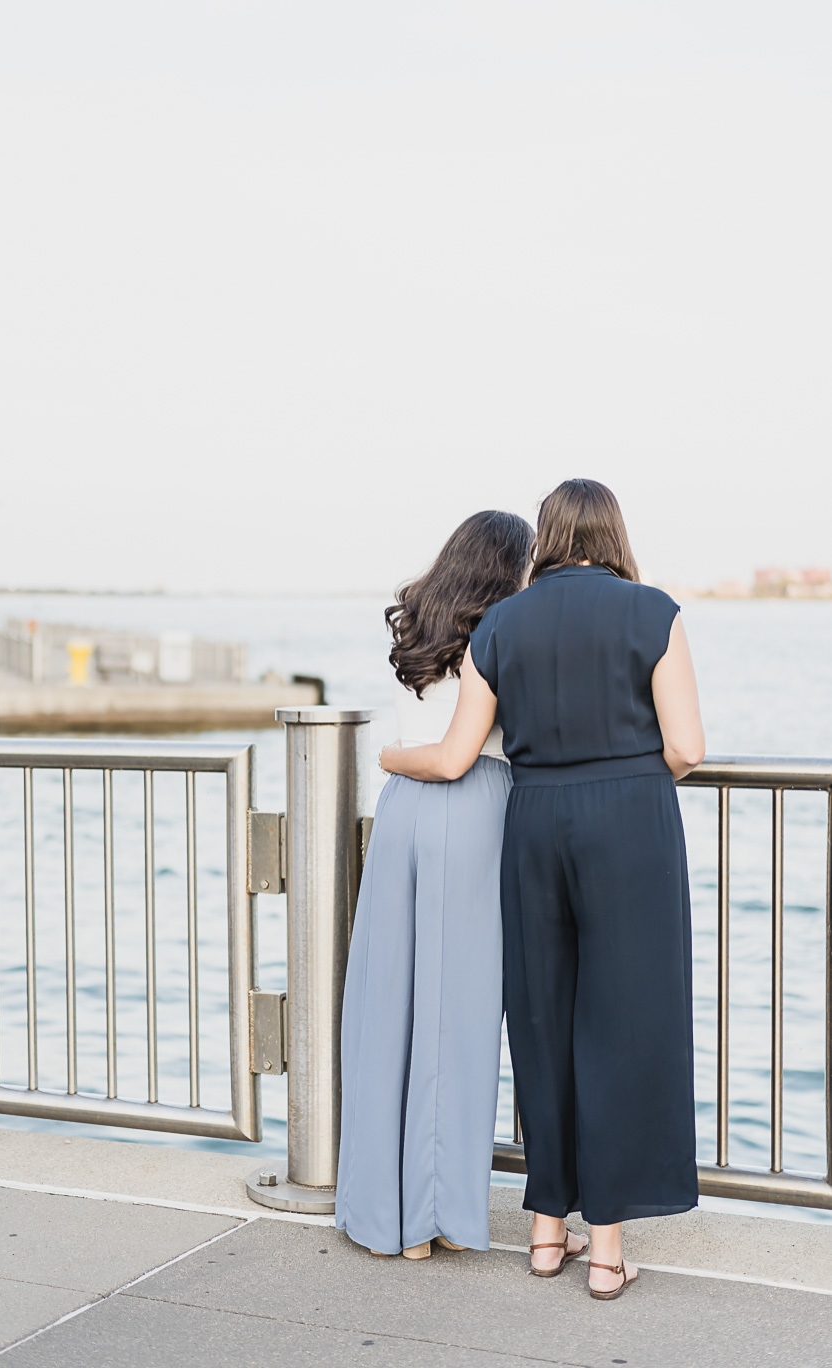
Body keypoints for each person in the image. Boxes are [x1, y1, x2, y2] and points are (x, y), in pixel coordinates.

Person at [381, 479, 704, 1299]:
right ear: (615, 533)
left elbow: (465, 741)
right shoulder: (654, 611)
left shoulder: (499, 623)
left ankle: (546, 1231)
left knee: (542, 1018)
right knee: (622, 1024)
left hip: (533, 822)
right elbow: (688, 748)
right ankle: (607, 1252)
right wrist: (625, 775)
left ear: (548, 539)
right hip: (629, 822)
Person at [336, 510, 534, 1260]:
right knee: (457, 1015)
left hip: (402, 819)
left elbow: (425, 740)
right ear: (507, 566)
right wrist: (393, 755)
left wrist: (391, 759)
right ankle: (433, 1216)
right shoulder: (500, 633)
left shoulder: (416, 615)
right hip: (471, 807)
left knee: (387, 1005)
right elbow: (457, 757)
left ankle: (379, 1210)